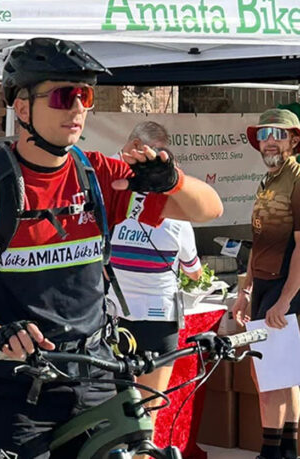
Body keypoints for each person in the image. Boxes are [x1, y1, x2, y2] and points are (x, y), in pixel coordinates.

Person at [0, 37, 223, 459]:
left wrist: (172, 180)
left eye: (85, 95)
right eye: (64, 96)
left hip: (95, 375)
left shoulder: (97, 175)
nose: (78, 108)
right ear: (22, 108)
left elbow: (208, 209)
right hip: (18, 387)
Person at [108, 121, 202, 414]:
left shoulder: (111, 204)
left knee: (118, 410)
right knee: (149, 410)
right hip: (158, 320)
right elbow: (194, 271)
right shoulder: (175, 216)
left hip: (115, 315)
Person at [231, 108, 300, 459]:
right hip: (264, 288)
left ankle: (270, 454)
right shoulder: (269, 181)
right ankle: (287, 450)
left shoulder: (297, 179)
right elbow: (259, 244)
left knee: (268, 378)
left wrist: (285, 300)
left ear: (294, 140)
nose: (269, 140)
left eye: (278, 133)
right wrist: (245, 291)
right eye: (263, 134)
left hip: (285, 289)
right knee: (281, 376)